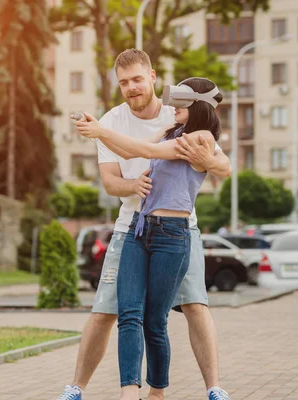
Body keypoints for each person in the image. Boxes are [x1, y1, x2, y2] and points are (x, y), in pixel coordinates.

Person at [56, 49, 231, 400]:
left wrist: (208, 160)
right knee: (109, 309)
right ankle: (78, 387)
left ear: (152, 76)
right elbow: (112, 179)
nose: (131, 87)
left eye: (137, 79)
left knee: (194, 305)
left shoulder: (180, 112)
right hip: (132, 226)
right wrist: (131, 183)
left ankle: (213, 387)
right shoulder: (115, 120)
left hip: (180, 228)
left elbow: (224, 166)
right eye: (123, 82)